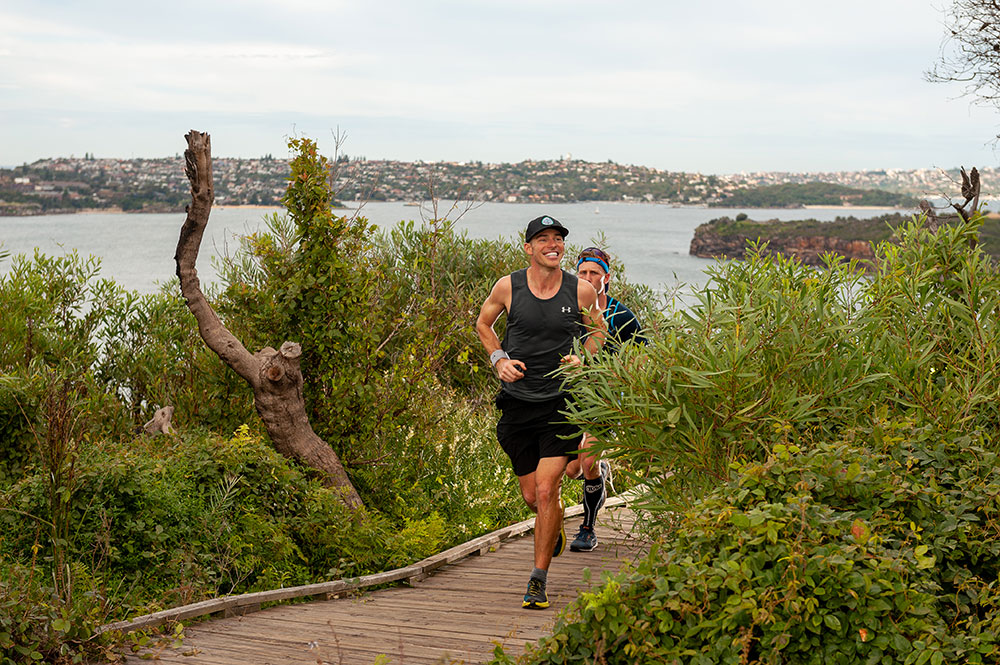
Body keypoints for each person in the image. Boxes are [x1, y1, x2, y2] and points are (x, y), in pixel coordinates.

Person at [475, 215, 606, 610]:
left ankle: (538, 580)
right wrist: (499, 360)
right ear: (529, 247)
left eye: (558, 239)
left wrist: (583, 357)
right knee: (533, 496)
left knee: (549, 489)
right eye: (543, 239)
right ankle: (551, 530)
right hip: (517, 404)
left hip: (560, 404)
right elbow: (483, 323)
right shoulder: (508, 286)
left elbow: (598, 331)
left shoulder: (581, 290)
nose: (553, 244)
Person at [565, 246, 647, 553]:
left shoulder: (621, 315)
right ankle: (599, 476)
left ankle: (587, 528)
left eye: (593, 273)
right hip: (572, 396)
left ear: (606, 278)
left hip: (606, 398)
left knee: (587, 458)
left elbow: (644, 355)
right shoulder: (566, 309)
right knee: (573, 469)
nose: (586, 278)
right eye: (582, 272)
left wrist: (627, 383)